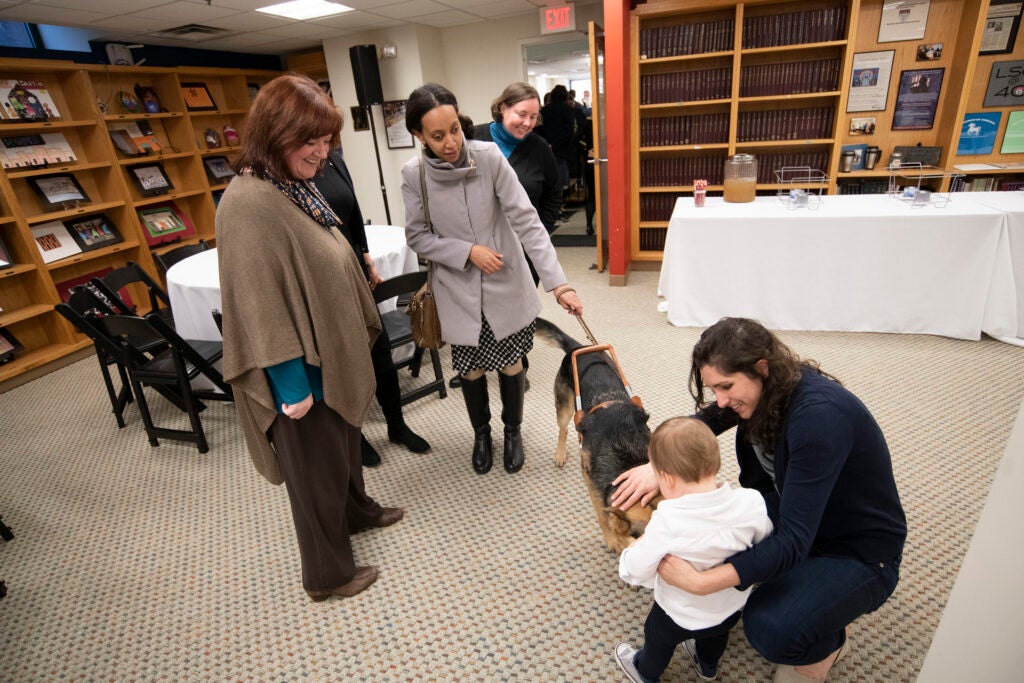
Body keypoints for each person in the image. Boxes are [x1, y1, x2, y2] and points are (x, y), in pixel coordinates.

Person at [611, 318, 906, 682]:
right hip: (796, 513)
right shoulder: (761, 391)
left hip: (856, 550)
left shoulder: (818, 418)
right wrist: (660, 464)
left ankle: (829, 640)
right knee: (712, 535)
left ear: (761, 368)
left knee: (769, 629)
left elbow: (794, 541)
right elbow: (701, 424)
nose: (720, 400)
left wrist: (703, 583)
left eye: (726, 386)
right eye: (713, 388)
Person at [216, 73, 404, 602]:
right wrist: (290, 384)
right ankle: (327, 575)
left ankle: (358, 512)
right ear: (275, 132)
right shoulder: (248, 201)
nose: (322, 153)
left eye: (327, 141)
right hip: (297, 373)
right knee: (314, 472)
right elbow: (258, 303)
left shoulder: (285, 183)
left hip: (327, 354)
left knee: (341, 448)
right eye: (311, 141)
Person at [399, 82, 583, 475]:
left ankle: (512, 431)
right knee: (470, 368)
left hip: (505, 281)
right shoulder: (413, 174)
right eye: (437, 135)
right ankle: (482, 434)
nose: (451, 142)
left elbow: (527, 221)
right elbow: (416, 237)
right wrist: (466, 251)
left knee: (512, 361)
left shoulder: (488, 156)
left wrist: (558, 282)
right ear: (418, 135)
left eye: (454, 129)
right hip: (457, 288)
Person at [615, 417, 772, 683]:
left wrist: (629, 556)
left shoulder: (668, 520)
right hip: (729, 609)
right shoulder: (751, 502)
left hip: (677, 613)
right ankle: (707, 666)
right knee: (715, 637)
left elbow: (637, 568)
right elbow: (765, 539)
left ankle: (644, 671)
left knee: (657, 639)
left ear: (667, 479)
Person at [313, 145, 430, 467]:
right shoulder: (289, 170)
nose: (323, 147)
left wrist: (365, 257)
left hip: (351, 268)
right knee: (344, 364)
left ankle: (396, 425)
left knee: (381, 354)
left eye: (327, 138)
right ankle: (356, 434)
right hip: (320, 281)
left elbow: (352, 213)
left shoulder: (335, 157)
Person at [535, 85, 576, 192]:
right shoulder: (568, 110)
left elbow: (538, 129)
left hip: (545, 146)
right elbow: (569, 131)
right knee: (561, 180)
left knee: (548, 178)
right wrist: (556, 144)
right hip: (561, 148)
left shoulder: (544, 111)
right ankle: (559, 204)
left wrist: (546, 143)